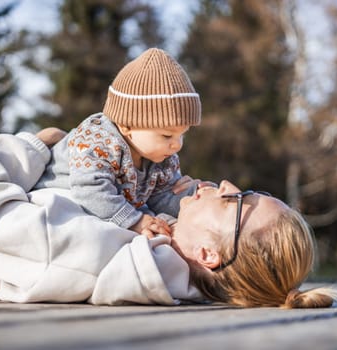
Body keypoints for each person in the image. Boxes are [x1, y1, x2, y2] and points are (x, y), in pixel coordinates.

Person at [0, 100, 337, 308]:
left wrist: (35, 145)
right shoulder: (160, 236)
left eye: (236, 200)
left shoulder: (100, 253)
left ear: (209, 255)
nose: (223, 183)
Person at [33, 48, 213, 238]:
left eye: (182, 135)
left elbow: (161, 197)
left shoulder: (162, 158)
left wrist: (193, 199)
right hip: (60, 202)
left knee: (162, 228)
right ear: (126, 125)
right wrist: (134, 221)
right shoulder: (97, 142)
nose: (177, 145)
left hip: (109, 210)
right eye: (167, 136)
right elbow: (90, 192)